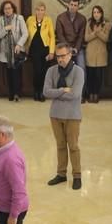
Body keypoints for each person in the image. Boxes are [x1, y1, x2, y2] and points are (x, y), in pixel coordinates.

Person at [43, 42, 85, 190]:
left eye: (63, 56)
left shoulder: (78, 72)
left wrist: (57, 93)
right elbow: (46, 92)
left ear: (70, 54)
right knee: (60, 145)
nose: (60, 59)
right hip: (55, 114)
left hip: (72, 115)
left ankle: (77, 175)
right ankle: (61, 174)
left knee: (73, 146)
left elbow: (75, 94)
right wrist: (63, 90)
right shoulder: (51, 71)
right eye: (58, 56)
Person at [0, 0, 28, 102]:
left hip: (17, 50)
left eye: (9, 8)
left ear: (13, 9)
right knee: (8, 73)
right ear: (3, 10)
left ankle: (17, 93)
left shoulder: (19, 18)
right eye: (5, 8)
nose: (7, 10)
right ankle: (10, 93)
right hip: (5, 52)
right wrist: (6, 29)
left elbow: (25, 33)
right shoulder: (0, 20)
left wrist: (19, 44)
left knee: (17, 73)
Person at [26, 1, 56, 102]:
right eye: (38, 10)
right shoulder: (30, 20)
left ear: (45, 11)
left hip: (45, 49)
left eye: (42, 10)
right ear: (35, 10)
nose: (40, 12)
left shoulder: (48, 20)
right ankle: (36, 91)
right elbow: (26, 35)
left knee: (44, 72)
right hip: (34, 50)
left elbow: (52, 36)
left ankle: (42, 92)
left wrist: (51, 52)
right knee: (37, 71)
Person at [84, 5, 110, 103]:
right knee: (91, 75)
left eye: (98, 12)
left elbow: (106, 39)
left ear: (101, 13)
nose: (96, 14)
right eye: (94, 12)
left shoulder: (106, 24)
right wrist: (95, 33)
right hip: (90, 52)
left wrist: (98, 33)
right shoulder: (89, 23)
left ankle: (96, 94)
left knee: (99, 76)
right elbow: (86, 38)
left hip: (101, 53)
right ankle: (91, 94)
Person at [55, 0, 87, 78]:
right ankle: (65, 89)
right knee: (64, 68)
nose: (73, 7)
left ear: (78, 7)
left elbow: (81, 36)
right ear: (68, 5)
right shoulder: (60, 17)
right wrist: (68, 48)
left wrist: (76, 48)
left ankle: (81, 90)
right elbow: (60, 35)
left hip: (78, 48)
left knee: (81, 68)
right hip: (65, 47)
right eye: (71, 5)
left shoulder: (82, 18)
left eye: (75, 5)